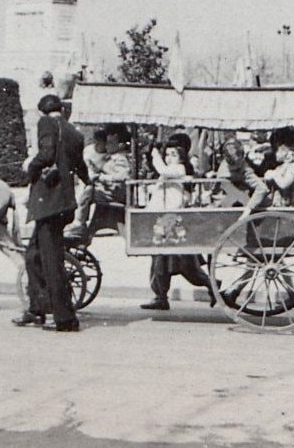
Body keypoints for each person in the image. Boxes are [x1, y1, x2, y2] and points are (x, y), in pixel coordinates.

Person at [13, 94, 89, 332]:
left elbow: (46, 154)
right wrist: (89, 181)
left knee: (50, 260)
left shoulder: (46, 123)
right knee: (33, 254)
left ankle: (65, 318)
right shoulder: (74, 132)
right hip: (64, 203)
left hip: (49, 202)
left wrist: (30, 166)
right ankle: (37, 307)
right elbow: (80, 165)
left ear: (42, 112)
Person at [141, 140, 218, 311]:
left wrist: (155, 155)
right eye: (167, 155)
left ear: (182, 157)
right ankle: (160, 296)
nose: (169, 158)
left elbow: (162, 169)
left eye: (173, 154)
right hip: (163, 220)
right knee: (160, 261)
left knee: (184, 266)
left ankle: (211, 285)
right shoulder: (167, 174)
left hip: (173, 222)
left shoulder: (178, 169)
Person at [70, 125, 131, 235]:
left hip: (116, 192)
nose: (107, 146)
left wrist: (102, 178)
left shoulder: (120, 159)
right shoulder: (110, 157)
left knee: (88, 191)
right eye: (107, 143)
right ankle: (83, 224)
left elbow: (123, 175)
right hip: (109, 190)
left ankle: (80, 221)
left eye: (110, 143)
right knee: (88, 189)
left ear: (120, 145)